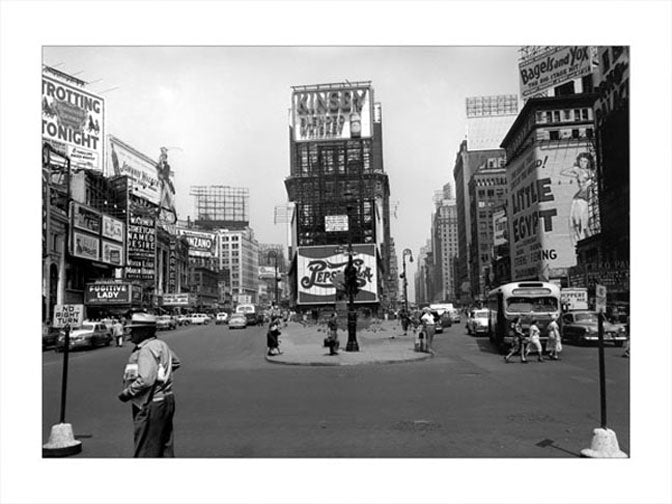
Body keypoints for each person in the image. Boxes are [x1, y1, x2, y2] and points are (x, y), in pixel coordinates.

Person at [118, 312, 181, 457]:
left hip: (150, 402)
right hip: (167, 399)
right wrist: (162, 374)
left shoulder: (146, 349)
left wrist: (127, 393)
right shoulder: (161, 344)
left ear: (145, 332)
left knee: (146, 448)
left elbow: (146, 380)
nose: (131, 333)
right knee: (165, 445)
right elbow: (176, 362)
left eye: (134, 330)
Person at [561, 152, 597, 245]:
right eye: (581, 160)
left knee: (586, 223)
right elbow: (563, 172)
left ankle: (587, 241)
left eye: (585, 161)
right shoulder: (578, 170)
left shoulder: (592, 172)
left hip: (587, 200)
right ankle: (580, 241)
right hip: (579, 199)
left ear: (589, 162)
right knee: (577, 222)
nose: (582, 163)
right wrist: (575, 174)